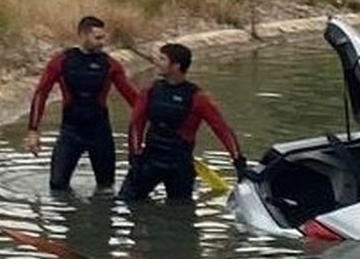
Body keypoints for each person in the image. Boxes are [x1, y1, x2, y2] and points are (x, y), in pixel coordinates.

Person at [25, 16, 141, 192]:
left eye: (103, 38)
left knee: (106, 189)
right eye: (98, 38)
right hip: (71, 132)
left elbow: (133, 98)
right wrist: (33, 130)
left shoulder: (110, 65)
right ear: (83, 35)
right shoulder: (62, 62)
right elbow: (41, 94)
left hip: (100, 133)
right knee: (56, 185)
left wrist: (152, 123)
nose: (102, 43)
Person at [122, 42, 246, 203]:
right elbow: (136, 124)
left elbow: (221, 128)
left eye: (162, 59)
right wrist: (134, 155)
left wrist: (238, 161)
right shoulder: (151, 91)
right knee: (125, 202)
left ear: (176, 66)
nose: (156, 62)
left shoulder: (198, 98)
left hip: (179, 165)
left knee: (180, 216)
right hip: (149, 161)